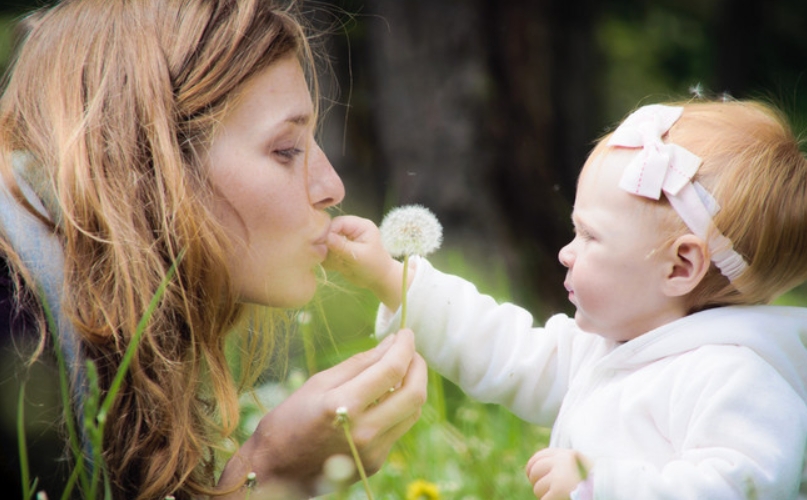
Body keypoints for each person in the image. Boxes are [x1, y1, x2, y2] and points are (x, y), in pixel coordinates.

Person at [0, 1, 427, 499]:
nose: (331, 187)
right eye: (286, 149)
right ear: (154, 162)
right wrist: (273, 476)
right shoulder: (14, 327)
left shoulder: (96, 332)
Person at [325, 100, 807, 499]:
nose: (565, 252)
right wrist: (391, 279)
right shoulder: (607, 349)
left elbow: (744, 487)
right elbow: (504, 348)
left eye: (589, 237)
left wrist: (605, 485)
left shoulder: (739, 378)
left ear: (680, 267)